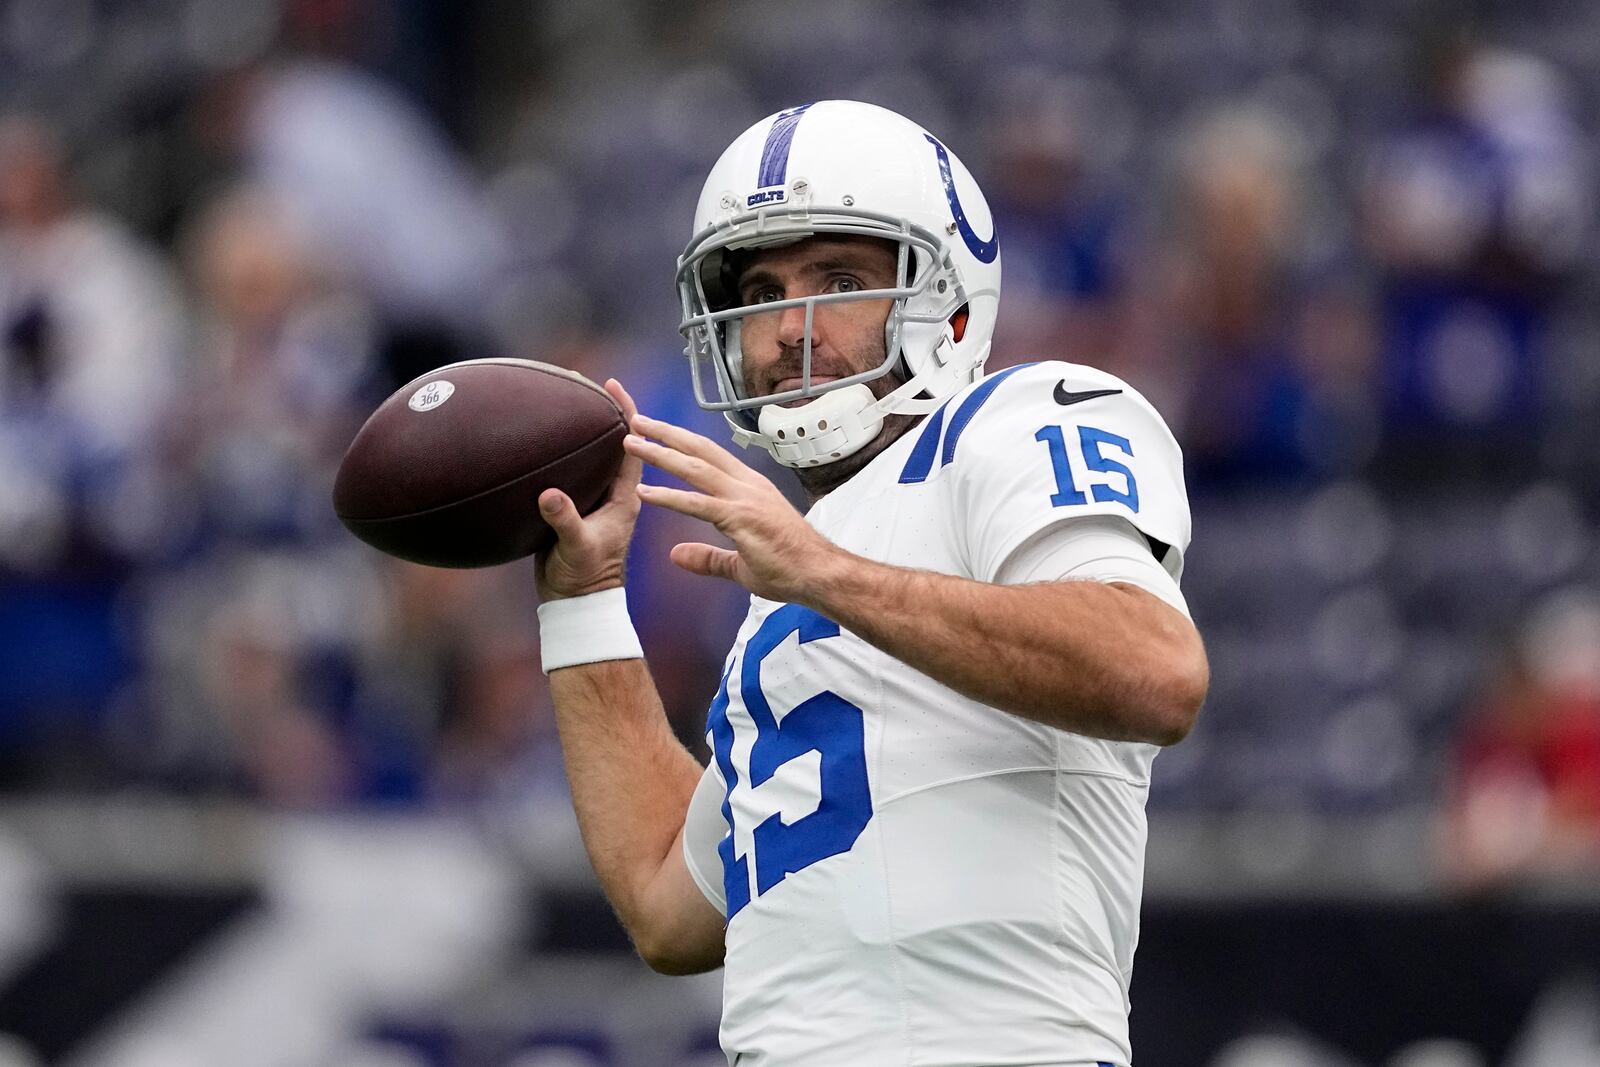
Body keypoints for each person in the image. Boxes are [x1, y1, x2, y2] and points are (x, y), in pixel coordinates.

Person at [532, 101, 1208, 1067]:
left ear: (949, 301)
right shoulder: (791, 590)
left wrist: (823, 571)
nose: (788, 328)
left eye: (839, 281)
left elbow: (1155, 668)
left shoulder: (1013, 421)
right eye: (760, 292)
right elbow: (665, 905)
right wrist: (584, 600)